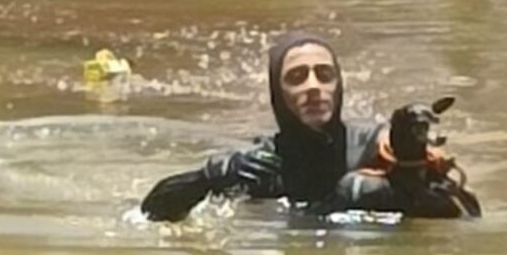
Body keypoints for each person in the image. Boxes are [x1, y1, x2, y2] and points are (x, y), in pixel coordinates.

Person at [140, 31, 481, 222]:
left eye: (325, 75)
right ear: (278, 93)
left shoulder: (375, 148)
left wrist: (411, 170)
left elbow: (468, 218)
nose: (314, 86)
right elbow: (148, 213)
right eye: (297, 78)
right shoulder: (261, 166)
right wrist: (212, 176)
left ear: (339, 85)